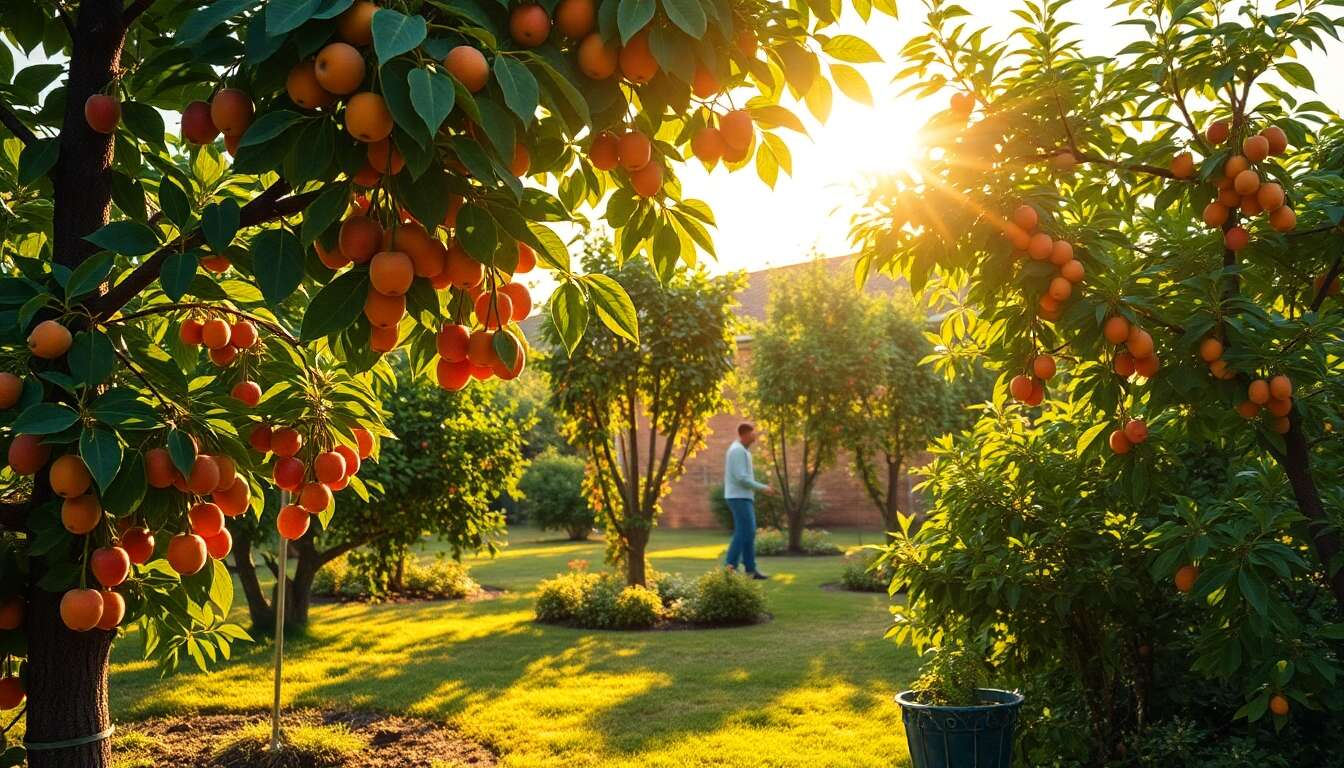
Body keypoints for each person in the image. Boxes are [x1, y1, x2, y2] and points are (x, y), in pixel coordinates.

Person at [723, 422, 775, 580]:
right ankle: (730, 566)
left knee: (748, 532)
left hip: (742, 497)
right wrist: (762, 487)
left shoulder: (742, 450)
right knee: (744, 531)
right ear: (745, 434)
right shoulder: (737, 451)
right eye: (753, 433)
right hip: (738, 497)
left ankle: (750, 569)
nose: (755, 436)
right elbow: (741, 478)